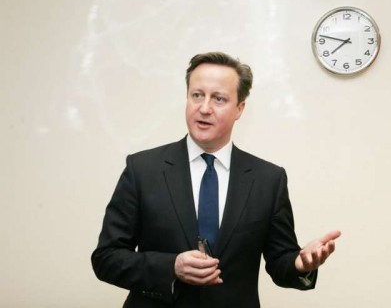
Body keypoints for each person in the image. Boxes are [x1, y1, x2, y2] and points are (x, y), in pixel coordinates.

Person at [91, 52, 341, 308]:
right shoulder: (143, 169)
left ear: (239, 109)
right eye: (197, 95)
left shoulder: (268, 179)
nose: (205, 108)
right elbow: (106, 258)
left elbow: (280, 261)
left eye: (219, 99)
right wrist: (171, 267)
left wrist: (301, 264)